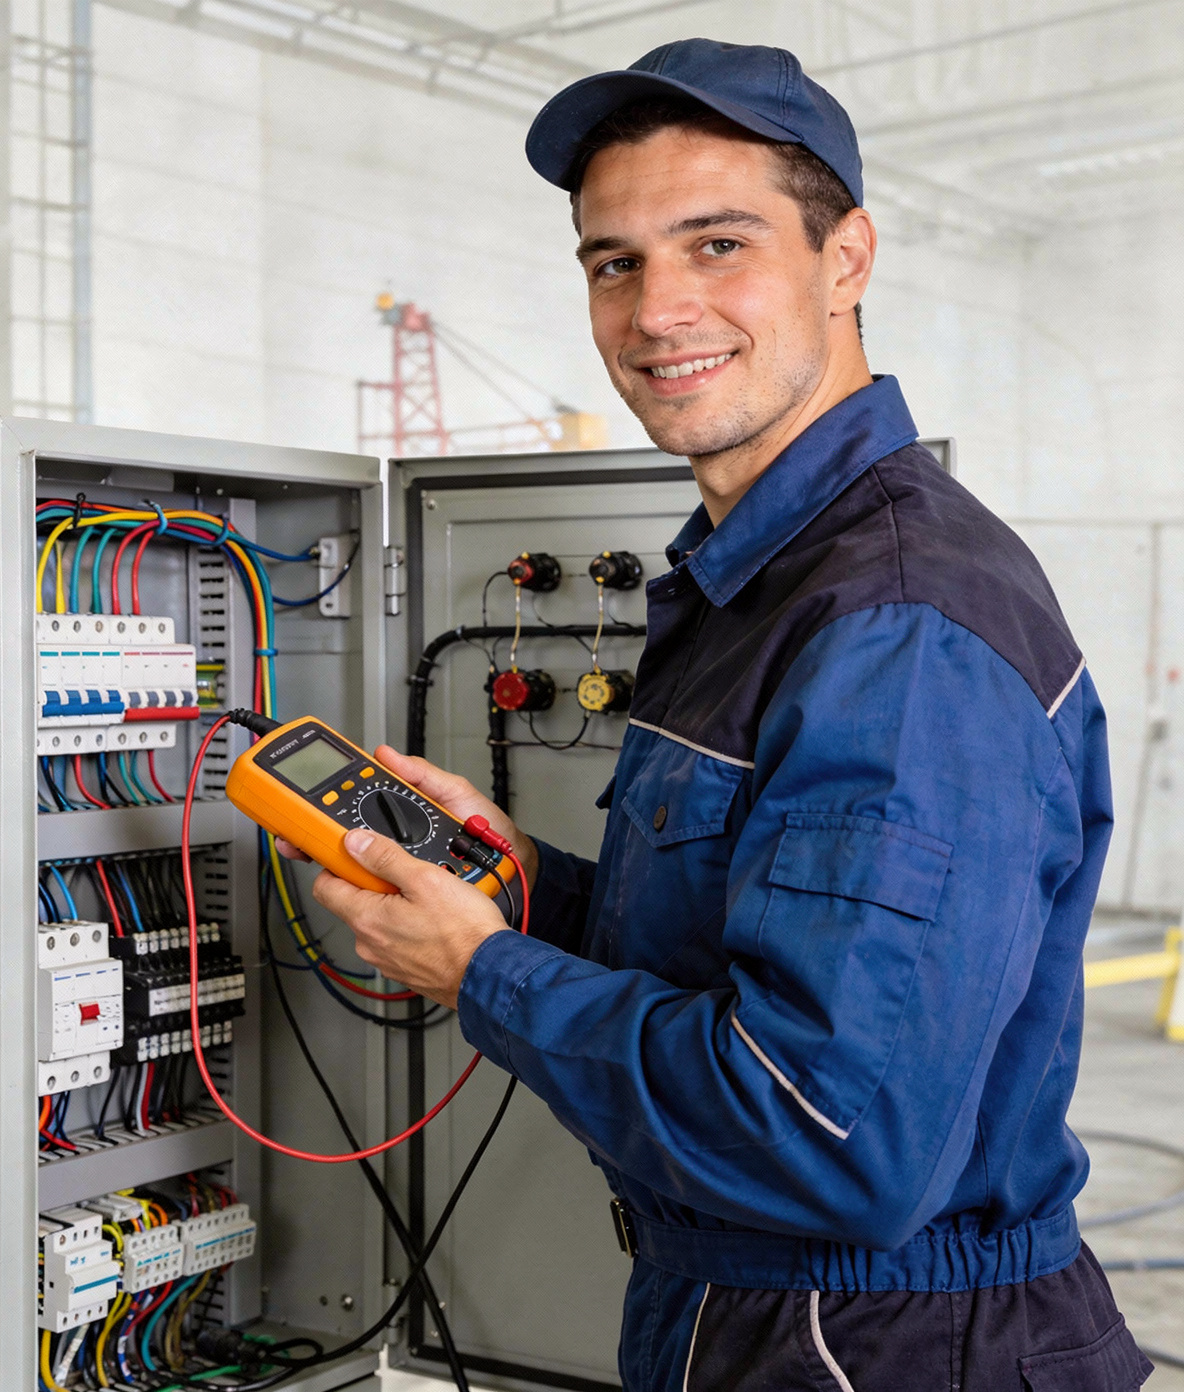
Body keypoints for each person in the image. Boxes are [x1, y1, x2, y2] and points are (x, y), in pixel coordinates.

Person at [292, 39, 1150, 1391]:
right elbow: (734, 948)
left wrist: (484, 972)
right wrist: (514, 888)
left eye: (718, 244)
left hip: (874, 1348)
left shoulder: (896, 627)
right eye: (613, 262)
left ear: (846, 258)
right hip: (756, 1320)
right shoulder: (764, 581)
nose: (656, 311)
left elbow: (827, 1139)